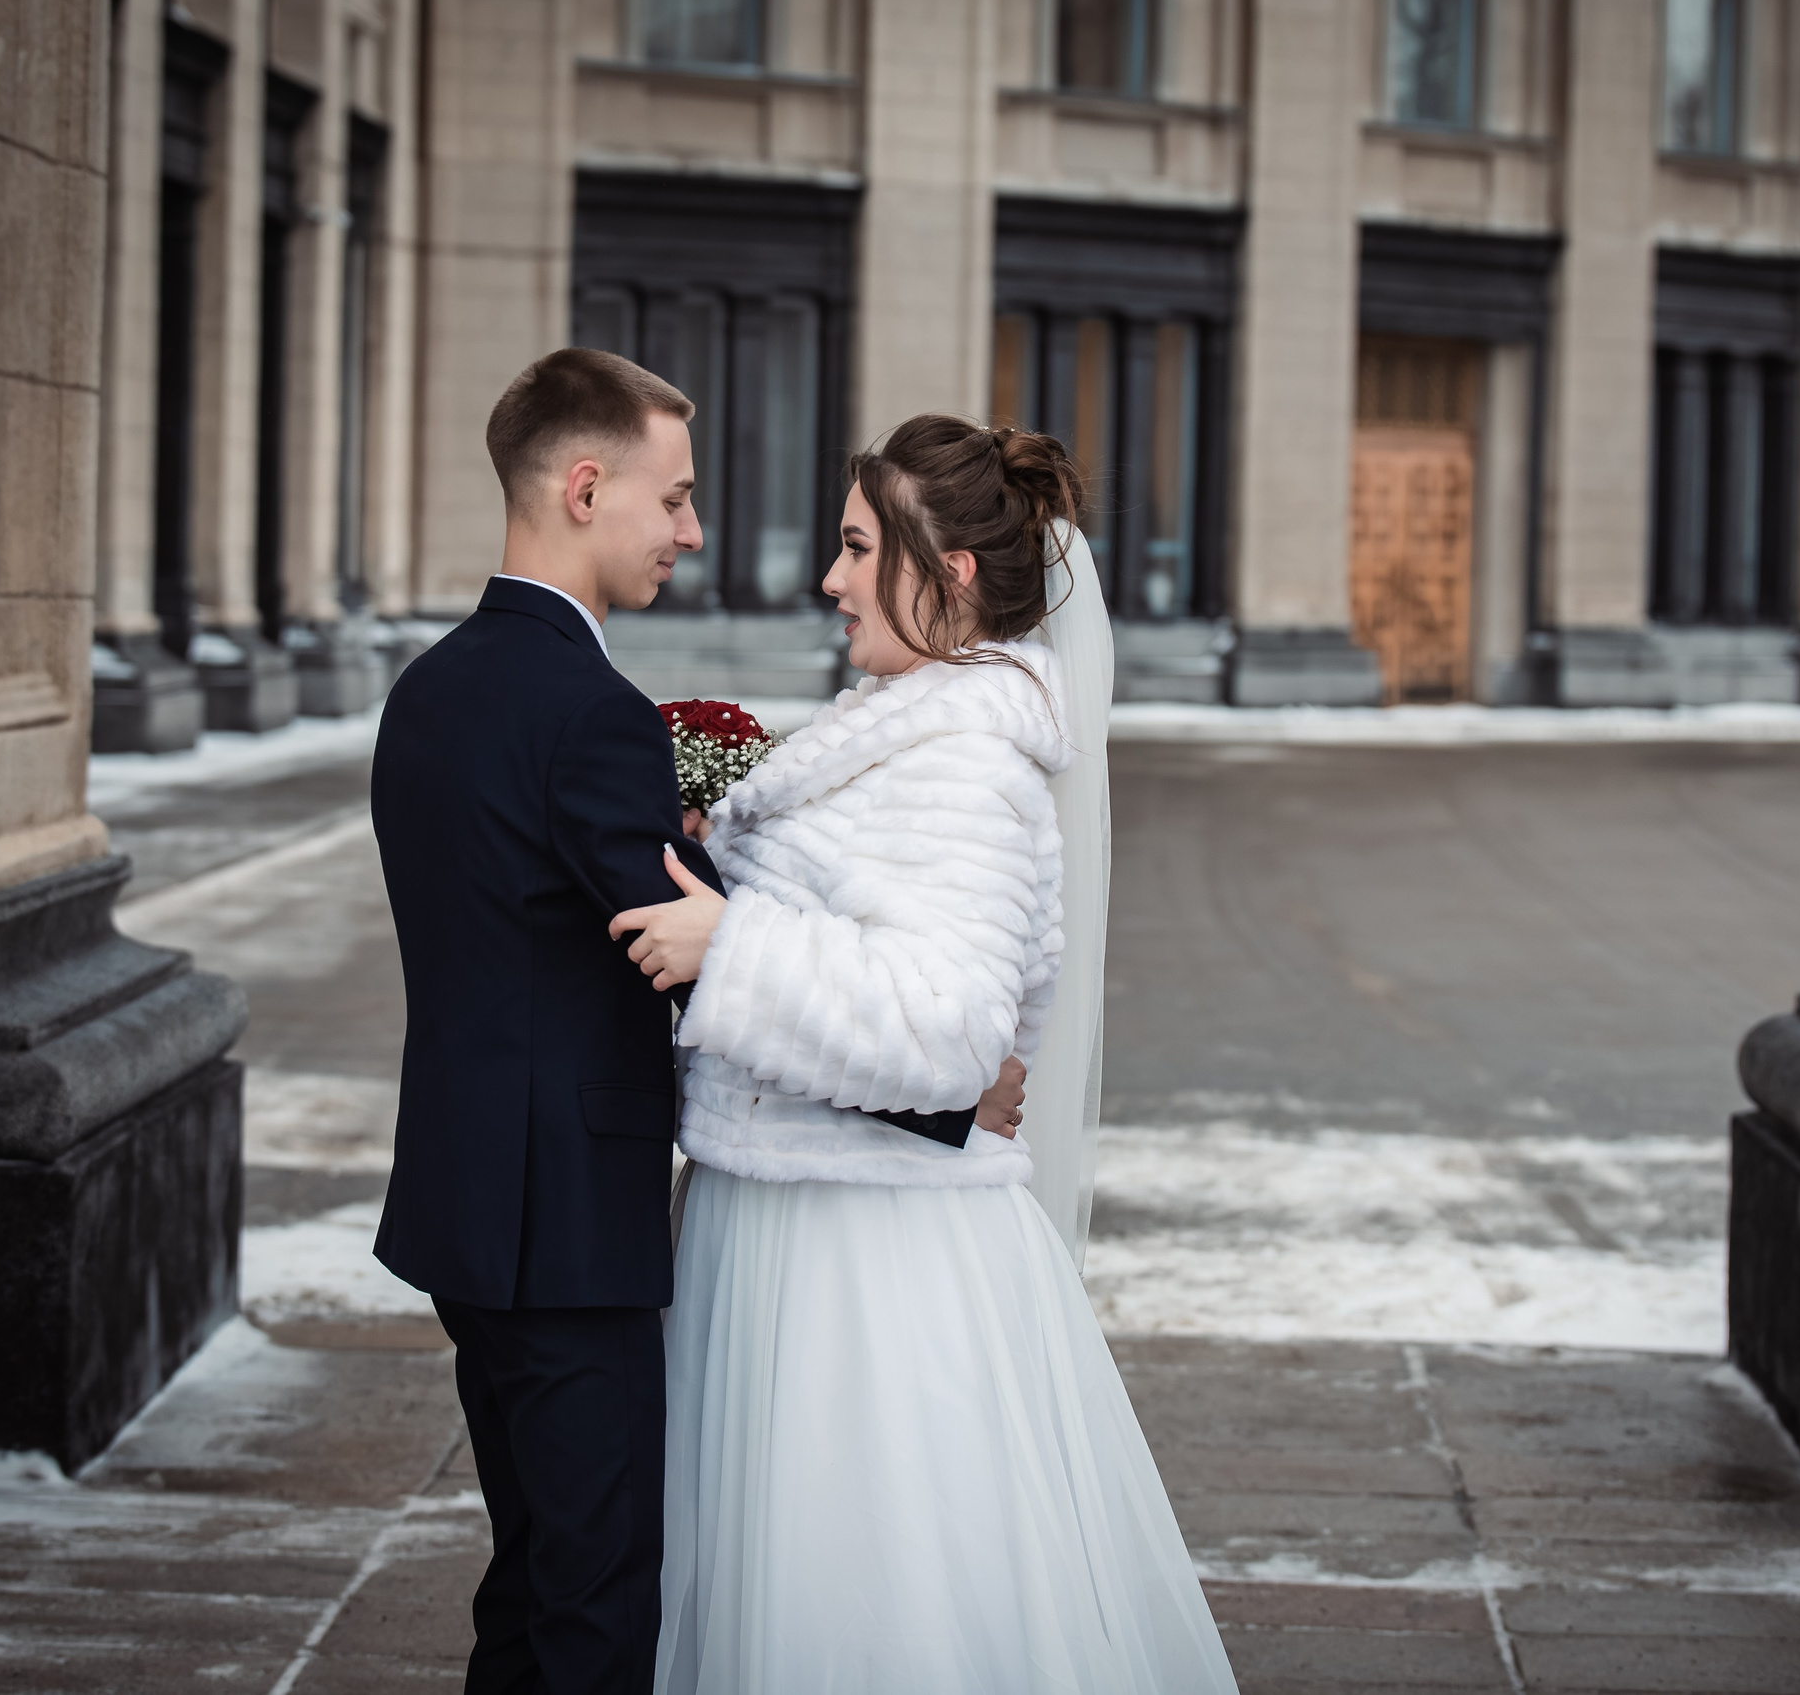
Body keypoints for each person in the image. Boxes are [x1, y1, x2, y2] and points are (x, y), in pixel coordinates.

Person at [369, 354, 1021, 1694]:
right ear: (586, 484)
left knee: (535, 1570)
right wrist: (948, 1095)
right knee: (596, 1601)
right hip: (570, 1234)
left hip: (461, 1206)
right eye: (673, 497)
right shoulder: (587, 714)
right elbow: (702, 960)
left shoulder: (428, 690)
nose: (693, 531)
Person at [611, 413, 1238, 1693]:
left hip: (864, 1260)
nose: (831, 580)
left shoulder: (959, 762)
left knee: (868, 1607)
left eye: (856, 548)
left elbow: (950, 1031)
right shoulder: (897, 734)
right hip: (797, 1214)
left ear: (947, 572)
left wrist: (732, 951)